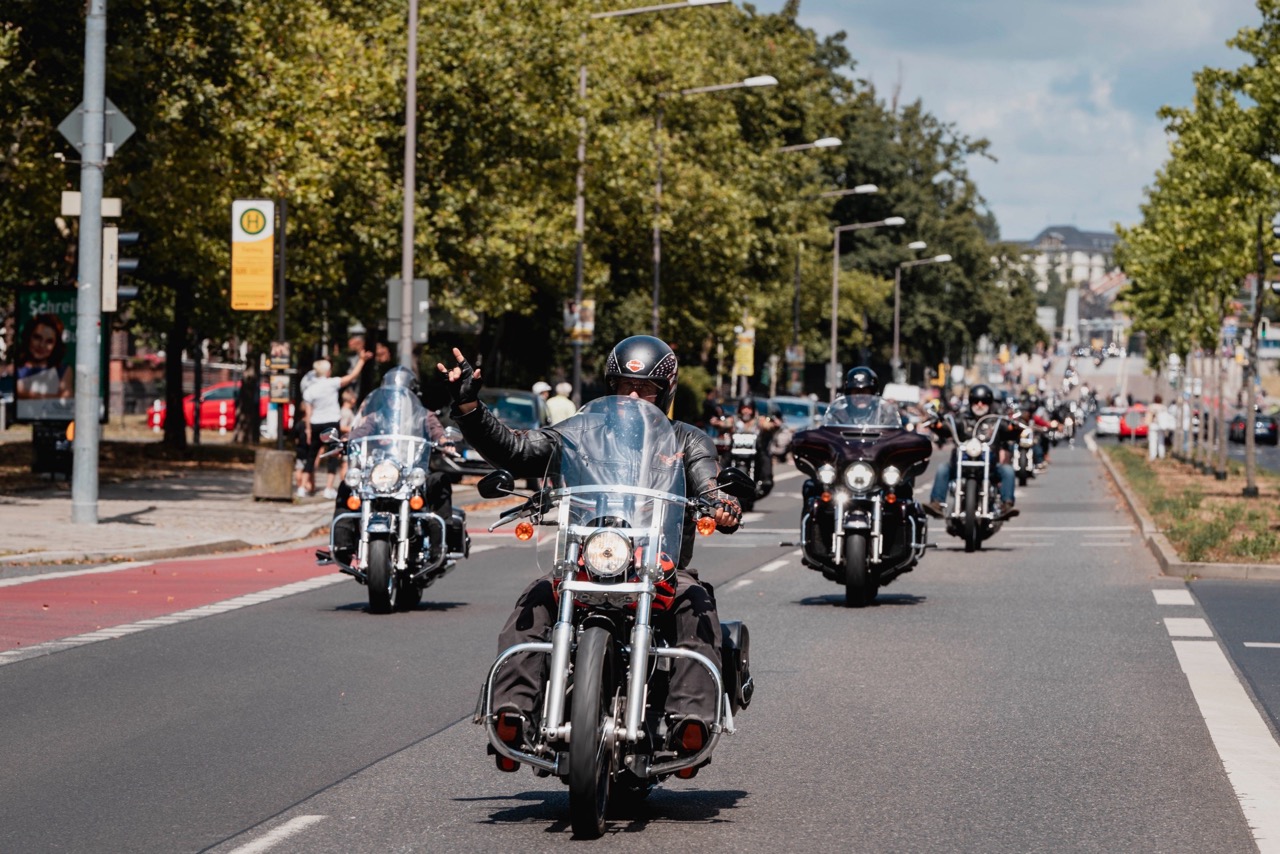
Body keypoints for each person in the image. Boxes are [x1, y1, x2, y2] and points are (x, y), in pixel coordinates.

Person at [438, 335, 741, 768]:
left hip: (658, 562)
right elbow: (519, 449)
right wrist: (469, 408)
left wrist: (721, 502)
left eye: (648, 388)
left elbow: (707, 480)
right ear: (609, 385)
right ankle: (512, 712)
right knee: (536, 601)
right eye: (624, 386)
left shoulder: (683, 439)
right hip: (589, 554)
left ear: (666, 392)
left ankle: (690, 720)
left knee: (696, 605)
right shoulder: (580, 430)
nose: (635, 395)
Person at [330, 366, 459, 564]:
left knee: (440, 481)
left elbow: (436, 432)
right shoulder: (377, 416)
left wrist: (444, 442)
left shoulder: (425, 415)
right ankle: (342, 545)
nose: (394, 399)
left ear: (413, 395)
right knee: (349, 487)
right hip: (382, 472)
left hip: (412, 473)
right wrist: (345, 440)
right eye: (389, 395)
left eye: (400, 395)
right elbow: (361, 431)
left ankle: (440, 545)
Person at [925, 383, 1019, 519]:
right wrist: (937, 424)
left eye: (984, 401)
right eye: (976, 401)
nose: (979, 404)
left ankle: (1006, 505)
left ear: (990, 403)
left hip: (990, 466)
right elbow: (946, 428)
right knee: (942, 468)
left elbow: (1010, 432)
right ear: (970, 402)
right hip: (961, 464)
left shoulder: (997, 421)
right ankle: (937, 504)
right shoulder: (961, 419)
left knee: (1008, 471)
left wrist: (1015, 427)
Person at [304, 353, 369, 499]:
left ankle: (303, 486)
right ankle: (328, 487)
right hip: (331, 422)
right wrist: (362, 360)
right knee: (333, 455)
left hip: (315, 422)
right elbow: (352, 376)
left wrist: (308, 430)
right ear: (327, 372)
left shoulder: (310, 389)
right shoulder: (331, 383)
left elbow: (308, 413)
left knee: (311, 455)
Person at [12, 314, 73, 401]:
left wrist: (25, 394)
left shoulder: (63, 370)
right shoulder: (15, 368)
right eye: (37, 337)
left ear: (56, 346)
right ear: (28, 336)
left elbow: (66, 401)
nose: (41, 345)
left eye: (49, 341)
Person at [733, 397, 779, 492]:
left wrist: (773, 425)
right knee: (725, 455)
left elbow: (767, 425)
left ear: (753, 410)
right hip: (736, 451)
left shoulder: (759, 420)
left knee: (764, 455)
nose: (746, 411)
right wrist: (717, 423)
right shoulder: (734, 420)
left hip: (755, 451)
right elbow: (724, 423)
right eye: (744, 408)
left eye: (749, 408)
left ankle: (766, 479)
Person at [1146, 394, 1168, 460]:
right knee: (1161, 441)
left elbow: (1149, 416)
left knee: (1153, 441)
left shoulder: (1151, 407)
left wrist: (1147, 423)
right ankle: (1162, 455)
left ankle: (1153, 456)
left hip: (1153, 425)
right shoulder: (1164, 407)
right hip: (1161, 426)